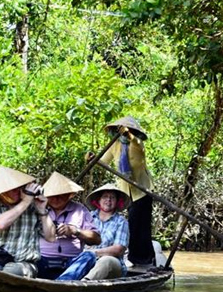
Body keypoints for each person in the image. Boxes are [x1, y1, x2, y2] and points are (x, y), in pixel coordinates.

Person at [0, 166, 56, 278]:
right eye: (11, 189)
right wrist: (25, 202)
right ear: (1, 191)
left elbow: (51, 237)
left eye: (19, 188)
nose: (15, 192)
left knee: (9, 272)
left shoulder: (33, 207)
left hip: (24, 264)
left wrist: (42, 210)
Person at [101, 116, 156, 268]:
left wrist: (129, 135)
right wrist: (92, 158)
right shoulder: (115, 145)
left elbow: (138, 143)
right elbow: (103, 161)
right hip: (125, 190)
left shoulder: (136, 144)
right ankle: (132, 256)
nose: (120, 134)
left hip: (142, 190)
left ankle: (143, 259)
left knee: (140, 224)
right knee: (129, 223)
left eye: (124, 131)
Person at [38, 172, 101, 281]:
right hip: (41, 261)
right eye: (52, 196)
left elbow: (96, 239)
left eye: (61, 195)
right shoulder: (38, 209)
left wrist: (75, 231)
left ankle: (61, 283)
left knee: (89, 257)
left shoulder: (80, 210)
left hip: (70, 264)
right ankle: (62, 284)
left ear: (69, 195)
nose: (56, 199)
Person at [84, 183, 130, 280]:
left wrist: (93, 253)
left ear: (117, 201)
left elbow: (118, 249)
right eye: (105, 197)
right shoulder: (89, 217)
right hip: (86, 260)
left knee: (106, 261)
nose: (108, 200)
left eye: (112, 197)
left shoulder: (121, 221)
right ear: (99, 200)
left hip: (112, 263)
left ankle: (83, 284)